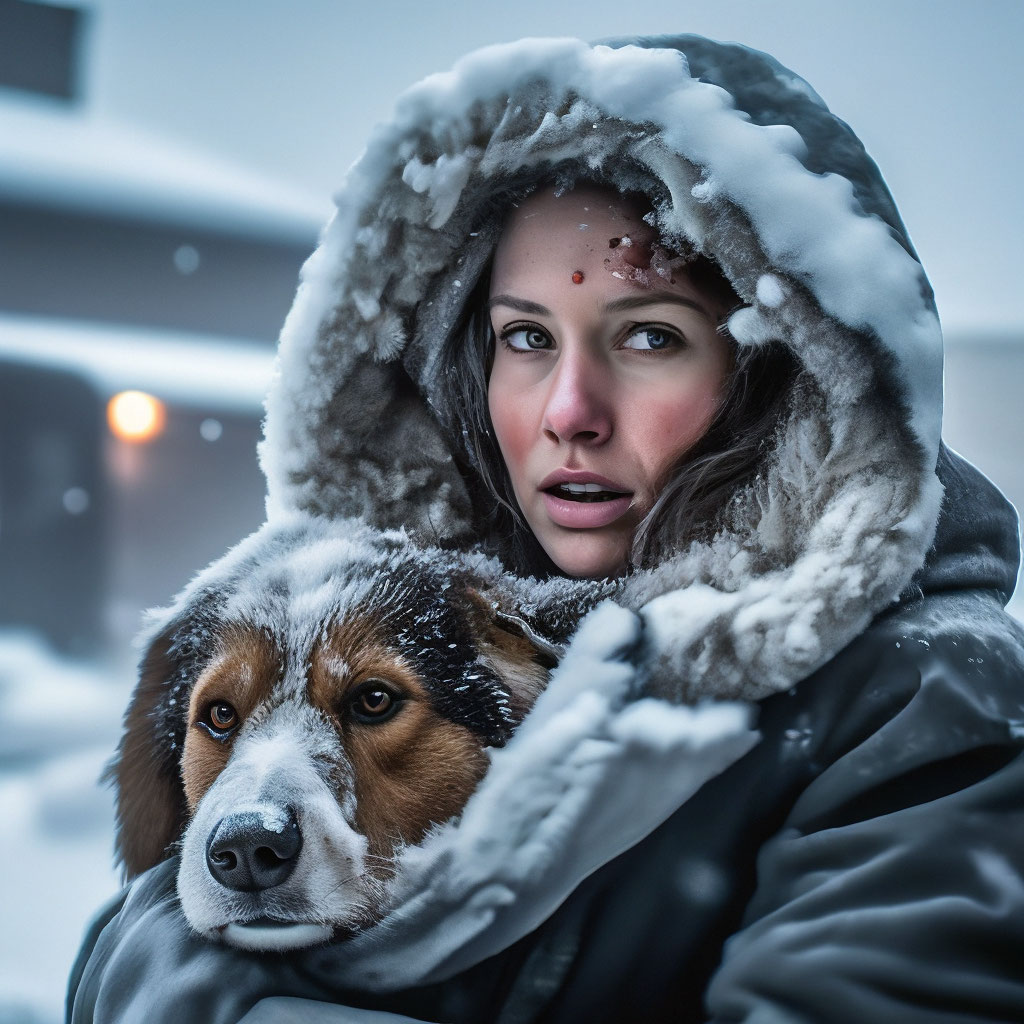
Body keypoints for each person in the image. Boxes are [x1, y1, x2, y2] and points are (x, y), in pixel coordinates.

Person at [68, 33, 1024, 1024]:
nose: (569, 409)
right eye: (526, 336)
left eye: (649, 335)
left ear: (780, 372)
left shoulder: (929, 696)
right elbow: (135, 931)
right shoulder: (428, 626)